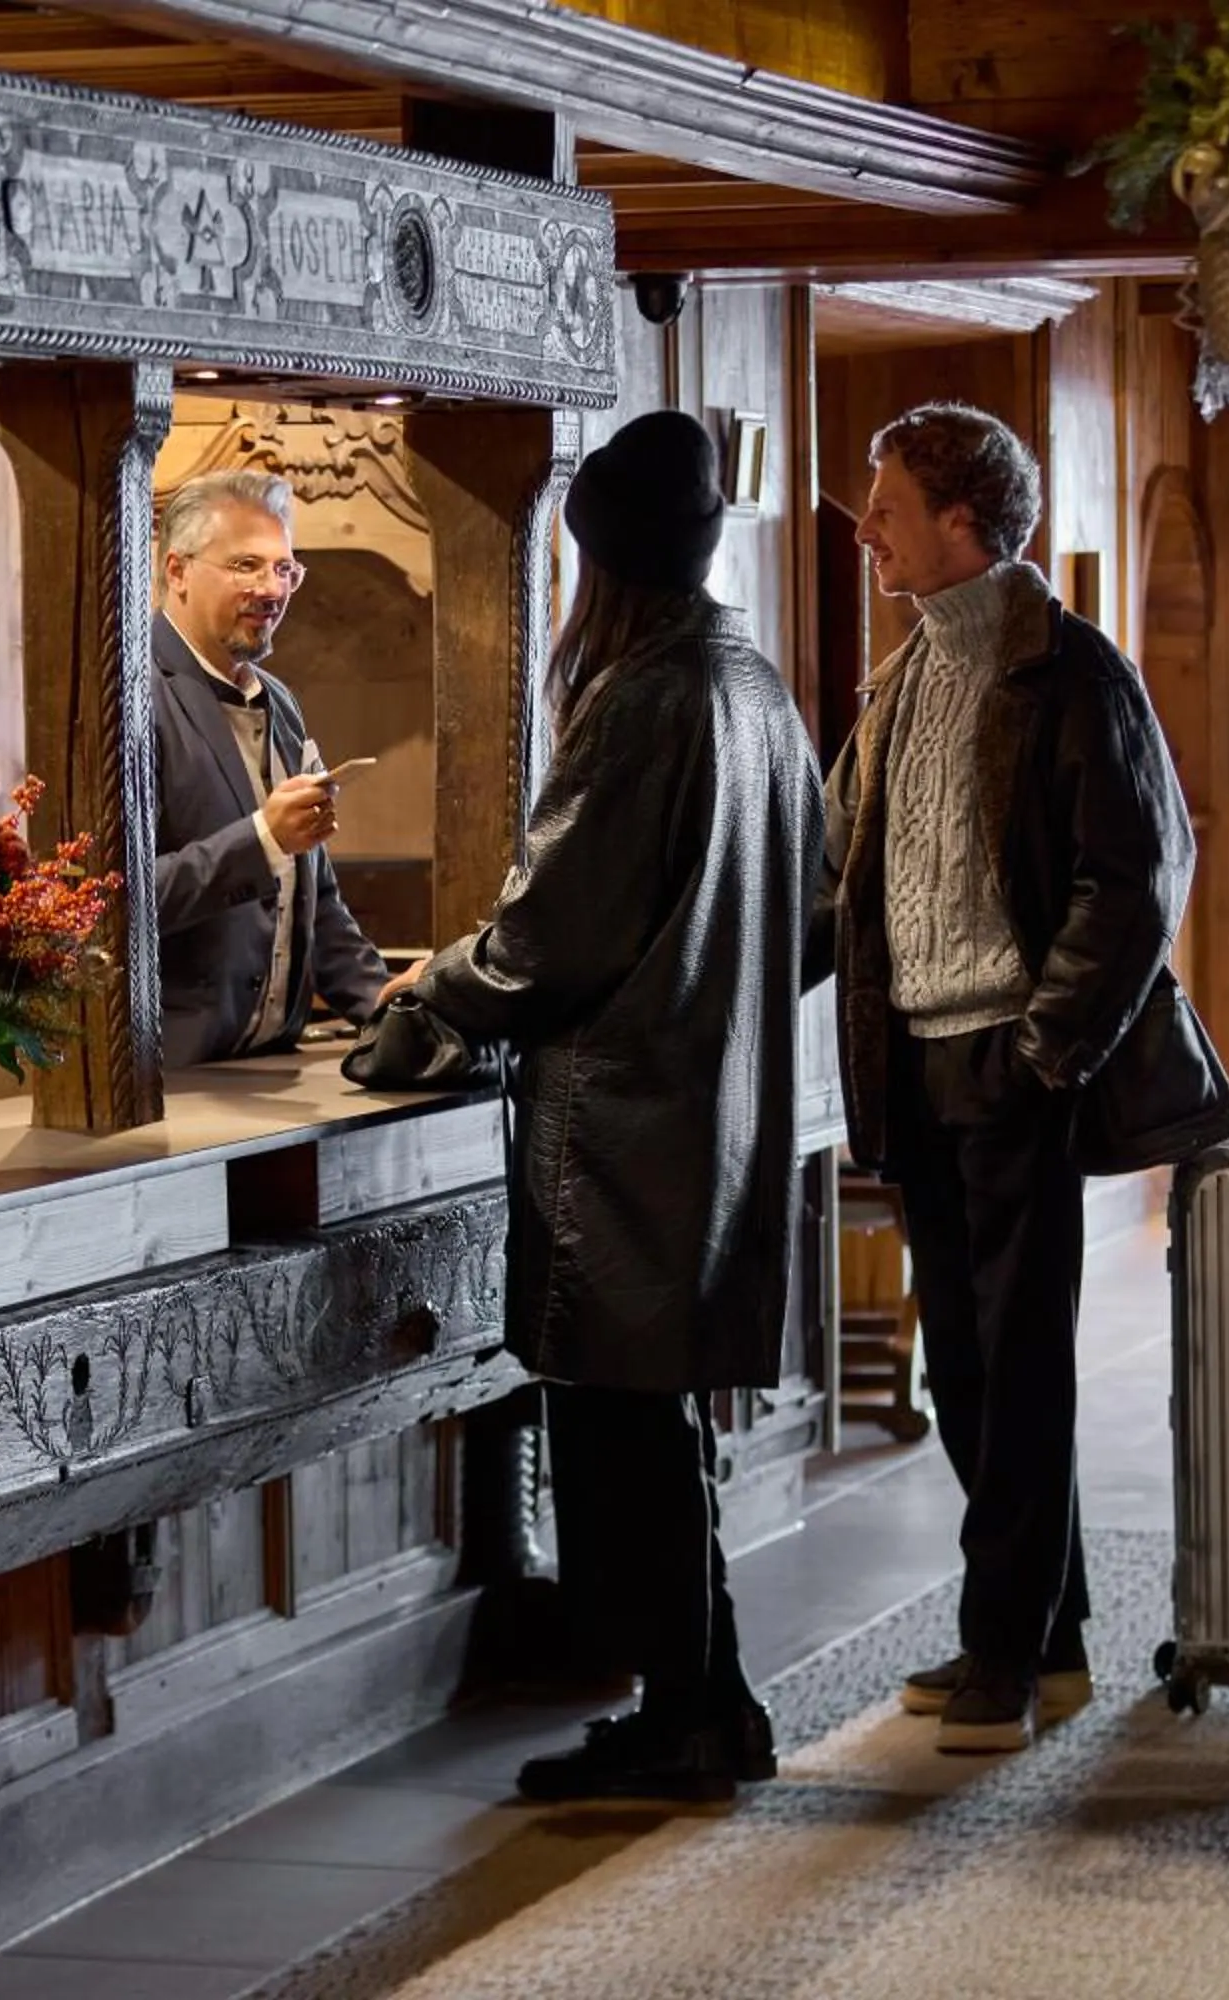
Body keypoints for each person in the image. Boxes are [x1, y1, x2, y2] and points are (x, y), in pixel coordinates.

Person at [378, 411, 826, 1803]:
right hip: (723, 1121)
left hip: (625, 1146)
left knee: (623, 1441)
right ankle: (712, 1705)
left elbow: (546, 942)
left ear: (599, 564)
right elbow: (813, 920)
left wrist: (431, 990)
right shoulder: (754, 681)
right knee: (664, 1434)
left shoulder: (640, 698)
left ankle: (685, 1718)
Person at [819, 403, 1229, 1755]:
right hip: (916, 1066)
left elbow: (1138, 882)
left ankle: (1006, 1644)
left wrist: (1045, 1049)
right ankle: (1043, 1639)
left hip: (1016, 1064)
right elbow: (844, 880)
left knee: (1020, 1364)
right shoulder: (896, 683)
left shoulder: (1076, 674)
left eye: (887, 503)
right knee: (964, 1368)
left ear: (962, 521)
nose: (866, 526)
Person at [151, 470, 389, 1067]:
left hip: (273, 1064)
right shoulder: (130, 695)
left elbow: (316, 893)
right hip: (172, 1074)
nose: (272, 588)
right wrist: (262, 839)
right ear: (176, 571)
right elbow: (120, 900)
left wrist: (384, 1002)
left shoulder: (280, 700)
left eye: (285, 569)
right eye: (246, 566)